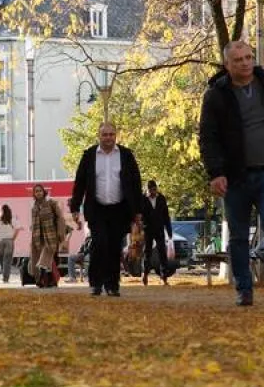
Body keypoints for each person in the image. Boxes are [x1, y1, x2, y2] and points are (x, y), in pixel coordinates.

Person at [199, 39, 264, 306]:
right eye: (238, 60)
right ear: (227, 64)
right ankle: (244, 289)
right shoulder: (216, 94)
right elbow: (208, 137)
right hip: (235, 177)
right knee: (238, 235)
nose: (245, 63)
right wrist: (216, 173)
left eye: (248, 57)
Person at [69, 123, 143, 297]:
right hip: (97, 209)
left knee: (114, 247)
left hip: (119, 209)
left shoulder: (126, 155)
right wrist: (75, 208)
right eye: (105, 134)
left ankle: (112, 285)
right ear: (99, 136)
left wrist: (137, 211)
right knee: (100, 243)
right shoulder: (89, 155)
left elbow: (136, 183)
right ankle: (96, 283)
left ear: (115, 135)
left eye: (111, 134)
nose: (108, 138)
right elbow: (80, 182)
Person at [30, 184, 66, 288]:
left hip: (51, 235)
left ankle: (42, 277)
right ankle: (49, 281)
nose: (38, 193)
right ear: (34, 194)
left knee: (46, 257)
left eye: (40, 191)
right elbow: (34, 223)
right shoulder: (34, 207)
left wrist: (60, 233)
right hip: (38, 237)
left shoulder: (51, 203)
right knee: (49, 261)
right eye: (36, 191)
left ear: (43, 192)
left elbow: (60, 218)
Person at [140, 180, 174, 286]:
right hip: (148, 229)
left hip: (159, 229)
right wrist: (141, 226)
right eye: (151, 190)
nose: (153, 192)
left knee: (162, 252)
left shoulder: (161, 198)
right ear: (147, 190)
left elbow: (166, 215)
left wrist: (169, 231)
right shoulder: (143, 199)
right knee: (147, 252)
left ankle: (164, 277)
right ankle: (145, 274)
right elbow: (140, 214)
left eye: (154, 189)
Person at [0, 204, 20, 284]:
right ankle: (6, 278)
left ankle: (3, 276)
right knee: (7, 260)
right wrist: (13, 239)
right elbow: (17, 229)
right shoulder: (12, 219)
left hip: (0, 240)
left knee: (1, 260)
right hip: (9, 241)